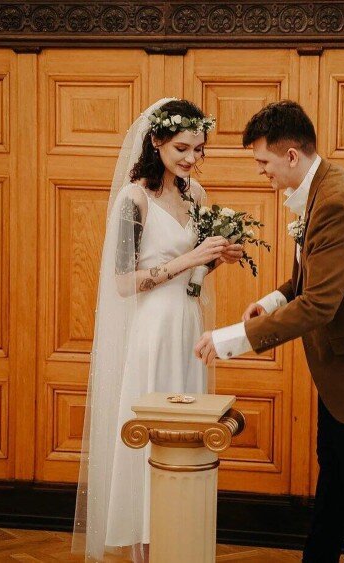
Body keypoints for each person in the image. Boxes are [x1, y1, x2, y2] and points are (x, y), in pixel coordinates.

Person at [195, 100, 344, 562]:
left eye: (264, 162)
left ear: (291, 155)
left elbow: (321, 303)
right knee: (336, 471)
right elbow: (313, 277)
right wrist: (273, 300)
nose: (262, 172)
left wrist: (229, 340)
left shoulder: (337, 200)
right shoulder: (322, 188)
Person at [72, 98, 243, 562]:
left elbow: (194, 275)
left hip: (187, 325)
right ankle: (146, 548)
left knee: (187, 434)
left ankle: (179, 543)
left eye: (198, 149)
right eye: (182, 148)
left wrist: (216, 259)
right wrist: (188, 258)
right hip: (151, 331)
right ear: (156, 141)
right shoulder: (135, 199)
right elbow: (123, 282)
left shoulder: (196, 195)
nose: (191, 158)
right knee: (152, 432)